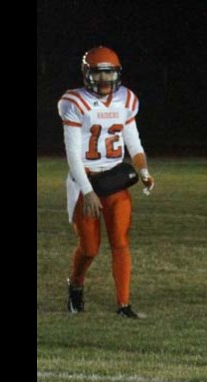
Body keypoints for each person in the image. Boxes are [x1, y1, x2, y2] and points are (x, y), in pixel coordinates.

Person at [57, 46, 155, 318]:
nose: (105, 81)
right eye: (100, 74)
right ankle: (75, 286)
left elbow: (133, 141)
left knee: (120, 241)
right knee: (89, 247)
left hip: (113, 178)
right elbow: (73, 155)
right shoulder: (75, 102)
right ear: (88, 74)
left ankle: (124, 305)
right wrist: (87, 192)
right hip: (84, 179)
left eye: (110, 73)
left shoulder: (126, 99)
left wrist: (143, 170)